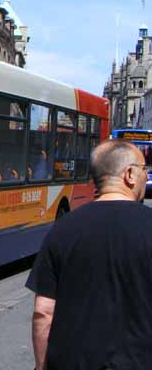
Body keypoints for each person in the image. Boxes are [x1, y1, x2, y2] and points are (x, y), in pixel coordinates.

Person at [26, 139, 152, 369]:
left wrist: (41, 366)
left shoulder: (63, 228)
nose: (147, 175)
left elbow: (43, 312)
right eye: (145, 169)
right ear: (130, 174)